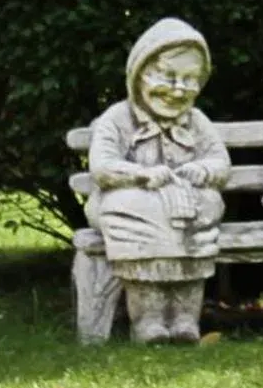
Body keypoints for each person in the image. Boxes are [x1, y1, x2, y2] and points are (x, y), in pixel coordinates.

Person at [83, 18, 230, 343]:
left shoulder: (196, 122)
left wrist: (203, 170)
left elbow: (220, 161)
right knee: (142, 218)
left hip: (186, 203)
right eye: (168, 76)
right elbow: (102, 166)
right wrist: (141, 174)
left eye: (190, 80)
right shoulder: (118, 118)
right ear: (141, 73)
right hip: (130, 202)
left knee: (200, 213)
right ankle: (148, 321)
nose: (179, 89)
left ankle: (184, 320)